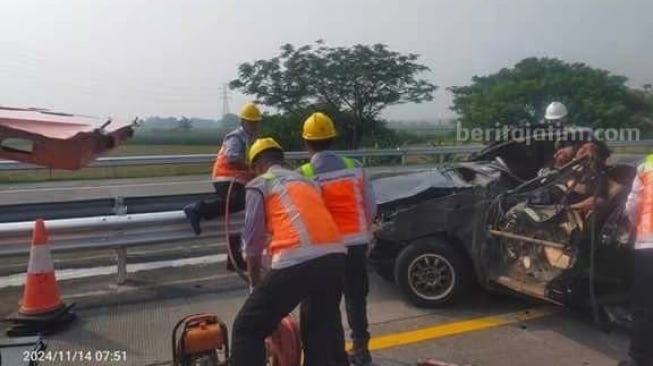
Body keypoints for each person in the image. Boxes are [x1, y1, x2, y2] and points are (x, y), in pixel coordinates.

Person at [230, 137, 348, 366]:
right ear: (280, 159)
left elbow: (253, 244)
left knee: (247, 329)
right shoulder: (306, 182)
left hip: (299, 260)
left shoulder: (260, 183)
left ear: (257, 165)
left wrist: (255, 286)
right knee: (318, 333)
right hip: (335, 256)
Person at [297, 112, 377, 366]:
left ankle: (336, 354)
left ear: (307, 143)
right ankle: (362, 350)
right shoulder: (355, 167)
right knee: (356, 298)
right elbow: (370, 206)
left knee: (327, 303)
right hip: (356, 244)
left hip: (326, 249)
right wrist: (363, 232)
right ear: (332, 138)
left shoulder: (304, 174)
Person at [183, 102, 261, 270]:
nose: (255, 125)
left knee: (236, 215)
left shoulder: (250, 139)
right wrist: (251, 165)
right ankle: (198, 209)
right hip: (224, 178)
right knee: (239, 203)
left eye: (256, 122)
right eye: (252, 122)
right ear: (244, 121)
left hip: (237, 180)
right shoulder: (236, 137)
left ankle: (234, 258)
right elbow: (232, 157)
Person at [620, 154, 653, 366]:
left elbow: (632, 206)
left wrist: (635, 228)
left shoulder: (647, 165)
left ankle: (639, 358)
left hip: (649, 244)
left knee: (644, 305)